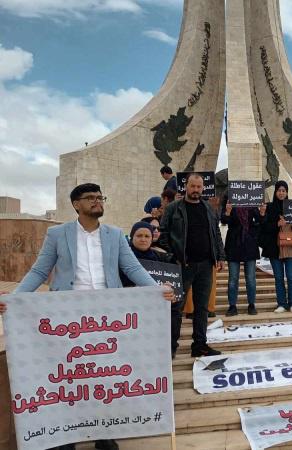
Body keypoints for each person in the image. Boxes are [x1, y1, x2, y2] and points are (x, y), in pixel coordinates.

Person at [4, 183, 174, 450]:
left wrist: (156, 290)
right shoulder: (57, 234)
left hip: (107, 316)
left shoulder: (114, 234)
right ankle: (67, 435)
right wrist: (14, 299)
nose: (97, 201)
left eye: (100, 197)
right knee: (73, 375)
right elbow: (39, 271)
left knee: (104, 375)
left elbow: (131, 267)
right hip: (68, 317)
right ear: (76, 204)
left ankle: (104, 432)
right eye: (91, 198)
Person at [159, 173, 225, 358]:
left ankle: (200, 345)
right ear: (186, 186)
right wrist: (173, 257)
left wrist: (220, 256)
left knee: (202, 308)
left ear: (203, 188)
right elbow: (163, 234)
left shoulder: (208, 208)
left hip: (205, 265)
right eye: (192, 186)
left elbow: (216, 233)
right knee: (176, 308)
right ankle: (170, 347)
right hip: (182, 266)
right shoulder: (173, 208)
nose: (196, 190)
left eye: (199, 187)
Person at [259, 180, 292, 313]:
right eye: (279, 190)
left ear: (287, 192)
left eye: (284, 191)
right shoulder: (269, 207)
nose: (281, 193)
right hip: (274, 248)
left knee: (291, 277)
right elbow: (263, 227)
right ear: (275, 192)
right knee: (279, 278)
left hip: (291, 246)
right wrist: (277, 224)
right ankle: (281, 303)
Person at [221, 196, 264, 316]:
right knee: (233, 279)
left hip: (249, 244)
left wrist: (262, 212)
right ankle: (232, 306)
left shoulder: (252, 201)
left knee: (250, 279)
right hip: (233, 245)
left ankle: (251, 304)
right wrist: (228, 211)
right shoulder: (229, 199)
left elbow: (261, 221)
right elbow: (223, 220)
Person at [121, 221, 172, 287]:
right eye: (139, 236)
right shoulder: (123, 256)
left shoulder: (160, 258)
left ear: (151, 239)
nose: (143, 239)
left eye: (147, 236)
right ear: (132, 237)